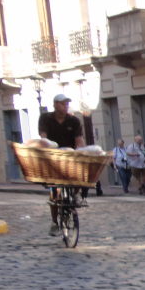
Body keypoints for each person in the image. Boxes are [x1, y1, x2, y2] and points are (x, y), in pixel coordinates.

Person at [39, 93, 90, 233]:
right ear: (55, 104)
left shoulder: (73, 120)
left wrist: (82, 151)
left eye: (67, 103)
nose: (65, 106)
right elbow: (43, 137)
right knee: (55, 191)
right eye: (62, 103)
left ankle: (75, 195)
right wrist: (47, 149)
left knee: (80, 176)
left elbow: (79, 139)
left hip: (69, 156)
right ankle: (55, 222)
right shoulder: (46, 118)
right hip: (53, 157)